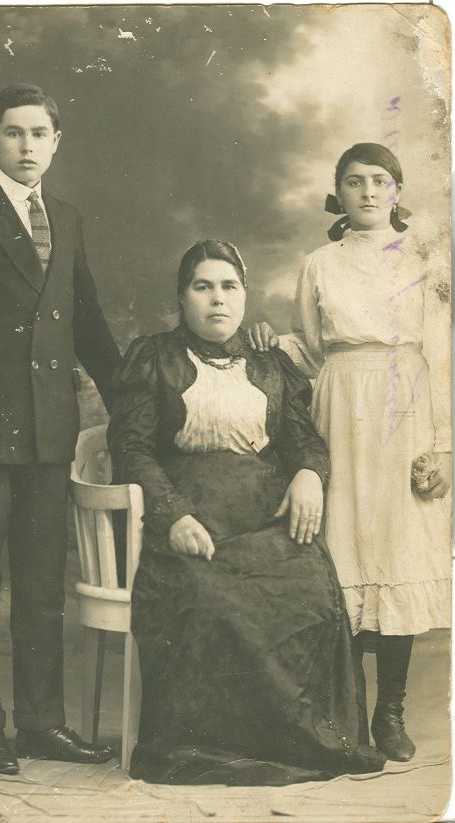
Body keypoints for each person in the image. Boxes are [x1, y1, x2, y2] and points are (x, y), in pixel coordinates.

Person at [107, 239, 385, 785]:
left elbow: (305, 442)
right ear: (182, 297)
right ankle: (215, 747)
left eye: (228, 286)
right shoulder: (155, 357)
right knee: (211, 597)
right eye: (202, 286)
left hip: (265, 518)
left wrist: (310, 475)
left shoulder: (269, 363)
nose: (217, 299)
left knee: (307, 590)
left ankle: (287, 741)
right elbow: (132, 448)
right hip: (190, 520)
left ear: (243, 295)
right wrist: (172, 515)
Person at [0, 84, 122, 774]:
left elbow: (88, 323)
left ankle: (42, 723)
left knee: (43, 588)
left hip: (49, 433)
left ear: (56, 141)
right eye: (13, 133)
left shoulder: (66, 220)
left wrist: (138, 401)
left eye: (39, 133)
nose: (26, 146)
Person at [249, 143, 451, 762]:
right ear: (338, 192)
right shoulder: (319, 264)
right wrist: (271, 341)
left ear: (397, 191)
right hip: (339, 409)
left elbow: (444, 356)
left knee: (397, 551)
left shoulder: (426, 260)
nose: (368, 191)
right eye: (355, 181)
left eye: (380, 181)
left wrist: (445, 448)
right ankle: (348, 710)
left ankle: (390, 711)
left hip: (406, 406)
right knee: (344, 550)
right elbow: (312, 352)